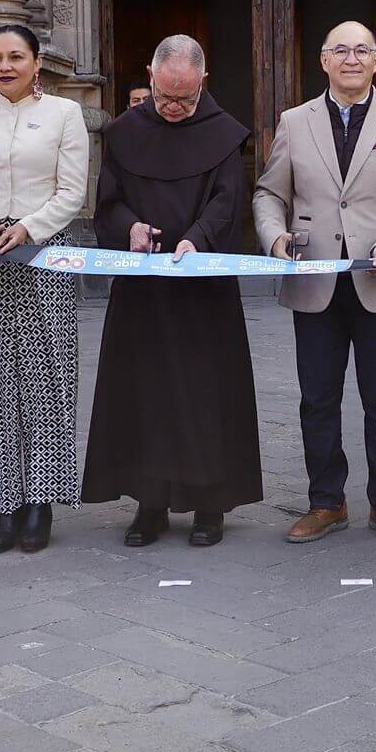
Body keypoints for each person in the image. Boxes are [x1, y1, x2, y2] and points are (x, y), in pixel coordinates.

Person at [253, 20, 376, 545]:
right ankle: (325, 502)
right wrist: (275, 239)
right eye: (341, 50)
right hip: (314, 279)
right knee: (317, 397)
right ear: (324, 60)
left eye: (362, 50)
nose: (352, 58)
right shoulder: (294, 121)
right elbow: (270, 193)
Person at [82, 36, 261, 547]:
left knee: (205, 394)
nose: (174, 108)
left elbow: (228, 201)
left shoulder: (224, 134)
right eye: (164, 97)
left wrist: (195, 240)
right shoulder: (124, 133)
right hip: (143, 288)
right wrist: (132, 229)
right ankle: (149, 502)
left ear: (203, 83)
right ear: (150, 76)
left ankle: (210, 505)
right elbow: (108, 203)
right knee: (145, 393)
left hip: (203, 286)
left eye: (185, 98)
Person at [0, 24, 88, 553]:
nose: (5, 66)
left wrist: (29, 227)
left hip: (45, 253)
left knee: (47, 378)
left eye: (16, 57)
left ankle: (41, 502)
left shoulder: (64, 114)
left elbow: (72, 189)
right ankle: (5, 503)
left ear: (36, 62)